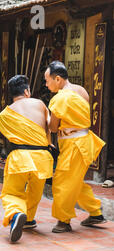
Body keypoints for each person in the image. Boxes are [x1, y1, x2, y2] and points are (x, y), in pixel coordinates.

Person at [45, 61, 107, 233]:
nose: (46, 83)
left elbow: (53, 128)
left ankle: (63, 221)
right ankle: (95, 212)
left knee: (61, 182)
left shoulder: (59, 99)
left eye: (47, 80)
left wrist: (45, 119)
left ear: (57, 79)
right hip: (84, 141)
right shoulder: (82, 90)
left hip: (73, 145)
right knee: (75, 182)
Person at [0, 75, 54, 243]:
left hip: (19, 157)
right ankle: (28, 219)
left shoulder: (4, 114)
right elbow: (49, 127)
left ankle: (16, 213)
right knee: (35, 192)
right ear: (27, 91)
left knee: (12, 192)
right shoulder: (39, 104)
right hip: (42, 158)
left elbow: (9, 136)